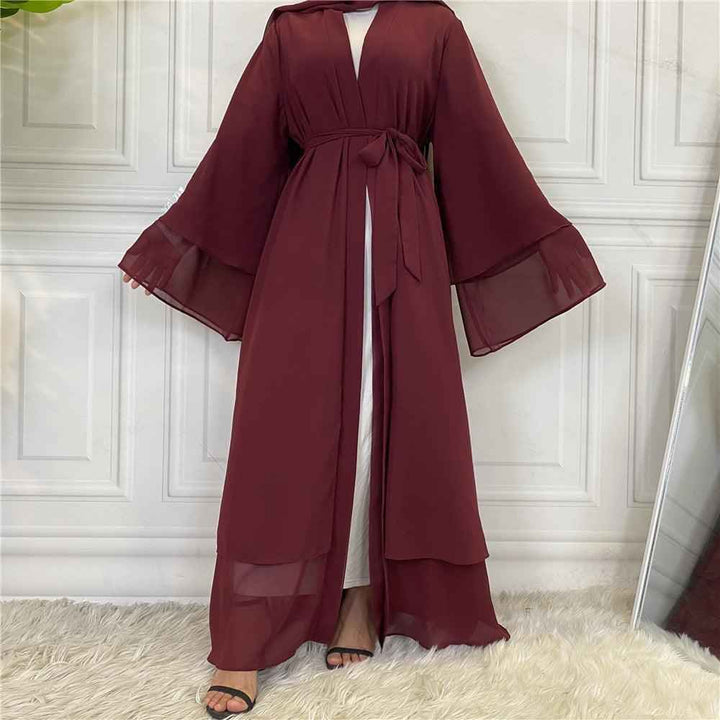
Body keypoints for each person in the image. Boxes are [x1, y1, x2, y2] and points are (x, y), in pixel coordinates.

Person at [118, 1, 607, 716]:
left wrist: (548, 253)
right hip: (305, 246)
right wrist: (176, 247)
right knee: (283, 432)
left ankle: (360, 601)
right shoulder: (290, 29)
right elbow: (243, 151)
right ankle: (244, 636)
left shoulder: (433, 26)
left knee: (390, 424)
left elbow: (477, 145)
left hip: (408, 249)